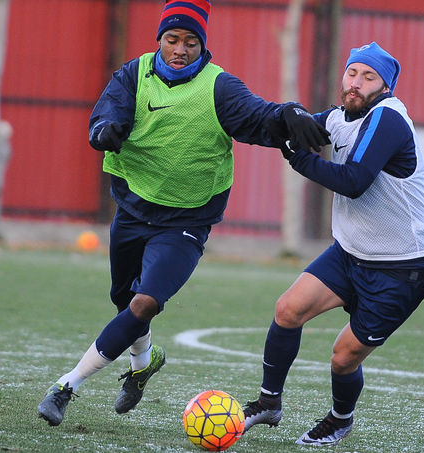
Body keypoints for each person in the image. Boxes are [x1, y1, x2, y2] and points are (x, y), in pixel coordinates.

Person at [37, 0, 329, 427]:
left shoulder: (218, 87)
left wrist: (289, 113)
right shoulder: (133, 75)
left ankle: (66, 386)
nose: (180, 49)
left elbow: (259, 115)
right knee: (126, 304)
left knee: (144, 303)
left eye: (191, 42)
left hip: (186, 221)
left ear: (202, 46)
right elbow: (106, 116)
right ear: (159, 40)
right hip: (133, 209)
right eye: (172, 39)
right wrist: (103, 131)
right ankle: (143, 365)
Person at [242, 42, 424, 446]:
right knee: (288, 309)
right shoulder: (338, 116)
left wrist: (300, 159)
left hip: (401, 266)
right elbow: (285, 129)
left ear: (385, 86)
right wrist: (289, 112)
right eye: (352, 73)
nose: (356, 83)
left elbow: (353, 182)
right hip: (351, 253)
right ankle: (268, 402)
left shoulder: (388, 118)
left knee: (343, 356)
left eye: (368, 77)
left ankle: (340, 419)